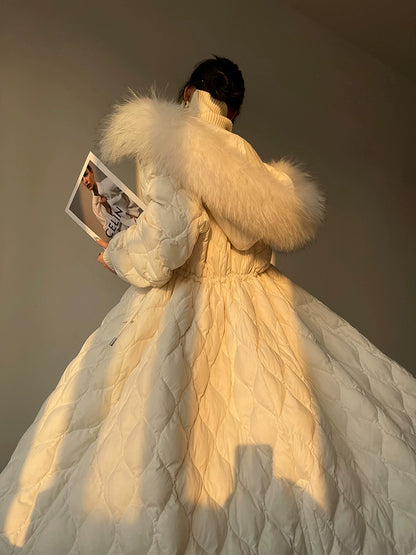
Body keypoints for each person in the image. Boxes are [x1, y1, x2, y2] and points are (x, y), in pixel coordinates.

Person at [0, 56, 415, 554]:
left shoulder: (170, 138)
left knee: (138, 457)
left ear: (188, 92)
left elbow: (169, 240)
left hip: (184, 306)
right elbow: (248, 243)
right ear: (232, 111)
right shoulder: (249, 161)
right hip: (261, 305)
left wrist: (117, 252)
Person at [82, 163, 141, 238]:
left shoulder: (109, 183)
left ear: (91, 172)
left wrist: (134, 215)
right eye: (82, 180)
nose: (85, 181)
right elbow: (107, 230)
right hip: (125, 237)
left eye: (86, 175)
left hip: (137, 224)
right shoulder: (95, 206)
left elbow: (128, 191)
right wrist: (108, 209)